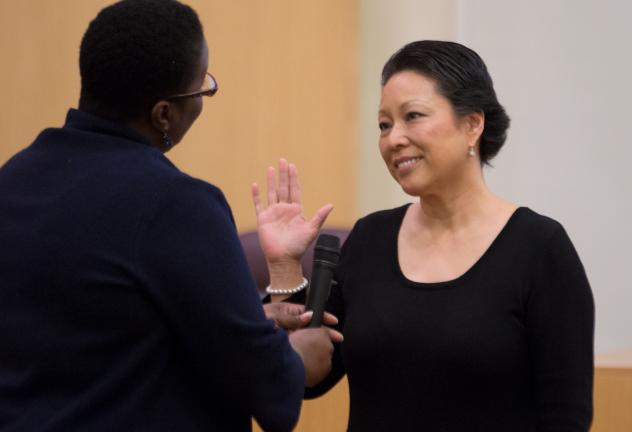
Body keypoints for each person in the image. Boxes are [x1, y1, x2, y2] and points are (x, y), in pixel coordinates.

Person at [0, 1, 341, 431]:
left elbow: (96, 327)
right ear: (163, 114)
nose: (203, 101)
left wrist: (243, 320)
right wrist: (301, 358)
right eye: (202, 90)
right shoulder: (177, 204)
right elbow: (264, 386)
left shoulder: (10, 181)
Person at [253, 41, 594, 431]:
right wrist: (283, 268)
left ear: (472, 125)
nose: (393, 138)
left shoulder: (540, 249)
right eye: (384, 124)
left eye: (412, 116)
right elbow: (309, 377)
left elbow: (566, 418)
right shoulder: (370, 238)